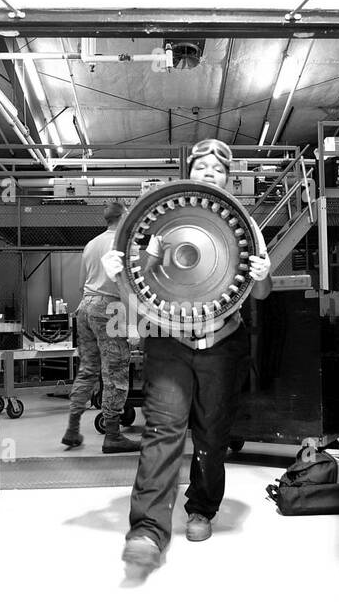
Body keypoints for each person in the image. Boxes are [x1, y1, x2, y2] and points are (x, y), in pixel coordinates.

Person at [101, 138, 272, 571]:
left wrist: (265, 275)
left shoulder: (245, 227)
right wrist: (116, 272)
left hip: (221, 342)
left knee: (212, 434)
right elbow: (142, 276)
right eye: (202, 167)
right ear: (190, 173)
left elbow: (261, 292)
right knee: (163, 430)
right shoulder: (165, 225)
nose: (209, 172)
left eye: (218, 168)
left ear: (230, 179)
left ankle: (201, 508)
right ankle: (147, 530)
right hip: (168, 339)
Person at [62, 201, 140, 453]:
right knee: (115, 371)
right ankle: (113, 435)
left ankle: (73, 429)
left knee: (87, 369)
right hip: (109, 307)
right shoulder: (126, 244)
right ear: (125, 215)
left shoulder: (91, 244)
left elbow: (86, 280)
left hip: (85, 306)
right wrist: (131, 324)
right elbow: (127, 285)